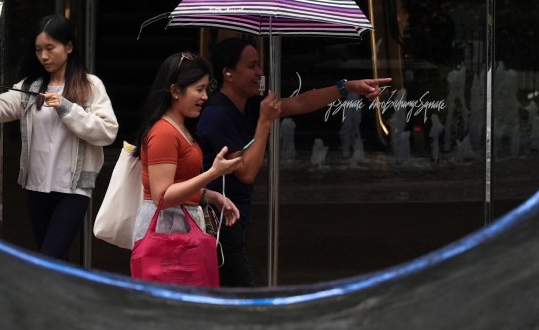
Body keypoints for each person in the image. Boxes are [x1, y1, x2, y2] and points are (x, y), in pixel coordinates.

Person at [195, 37, 392, 287]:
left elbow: (301, 102)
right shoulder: (217, 116)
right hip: (219, 227)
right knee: (246, 300)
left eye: (260, 65)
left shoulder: (249, 104)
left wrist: (348, 87)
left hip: (234, 222)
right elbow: (245, 172)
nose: (260, 72)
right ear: (228, 74)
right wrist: (265, 122)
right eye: (252, 66)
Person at [0, 15, 118, 261]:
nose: (44, 56)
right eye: (38, 50)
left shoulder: (90, 86)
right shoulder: (30, 86)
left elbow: (107, 132)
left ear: (68, 47)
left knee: (49, 257)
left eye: (50, 48)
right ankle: (69, 298)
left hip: (73, 190)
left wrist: (67, 108)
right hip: (36, 187)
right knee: (54, 261)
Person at [130, 51, 242, 281]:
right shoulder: (163, 132)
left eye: (206, 89)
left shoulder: (179, 128)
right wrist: (213, 173)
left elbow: (177, 185)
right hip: (166, 229)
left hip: (175, 227)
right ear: (174, 91)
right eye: (198, 89)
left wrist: (211, 197)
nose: (205, 97)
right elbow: (163, 195)